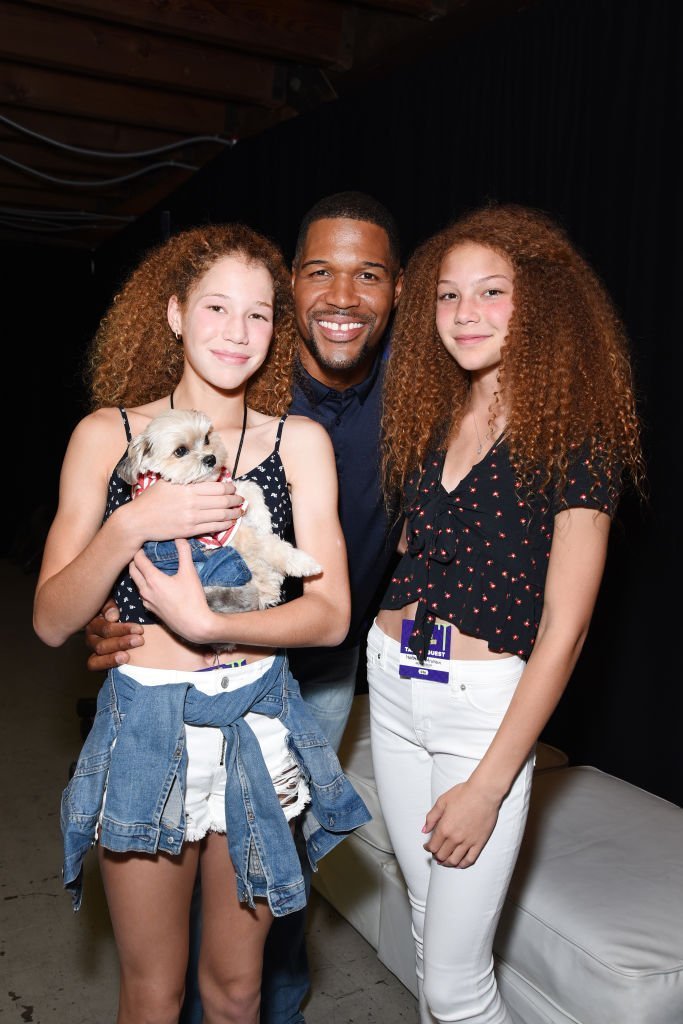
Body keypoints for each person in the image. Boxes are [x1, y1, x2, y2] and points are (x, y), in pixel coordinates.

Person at [78, 193, 405, 1024]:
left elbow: (330, 613)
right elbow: (50, 614)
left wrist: (208, 622)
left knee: (239, 992)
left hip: (264, 713)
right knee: (152, 993)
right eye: (217, 307)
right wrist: (130, 527)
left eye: (256, 313)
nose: (236, 329)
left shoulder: (303, 436)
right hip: (147, 723)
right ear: (176, 313)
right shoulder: (110, 434)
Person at [370, 202, 644, 1024]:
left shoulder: (575, 435)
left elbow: (565, 628)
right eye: (448, 297)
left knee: (456, 986)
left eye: (490, 293)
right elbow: (417, 550)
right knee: (428, 937)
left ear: (539, 306)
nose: (465, 315)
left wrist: (489, 785)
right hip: (389, 685)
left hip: (481, 714)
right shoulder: (431, 414)